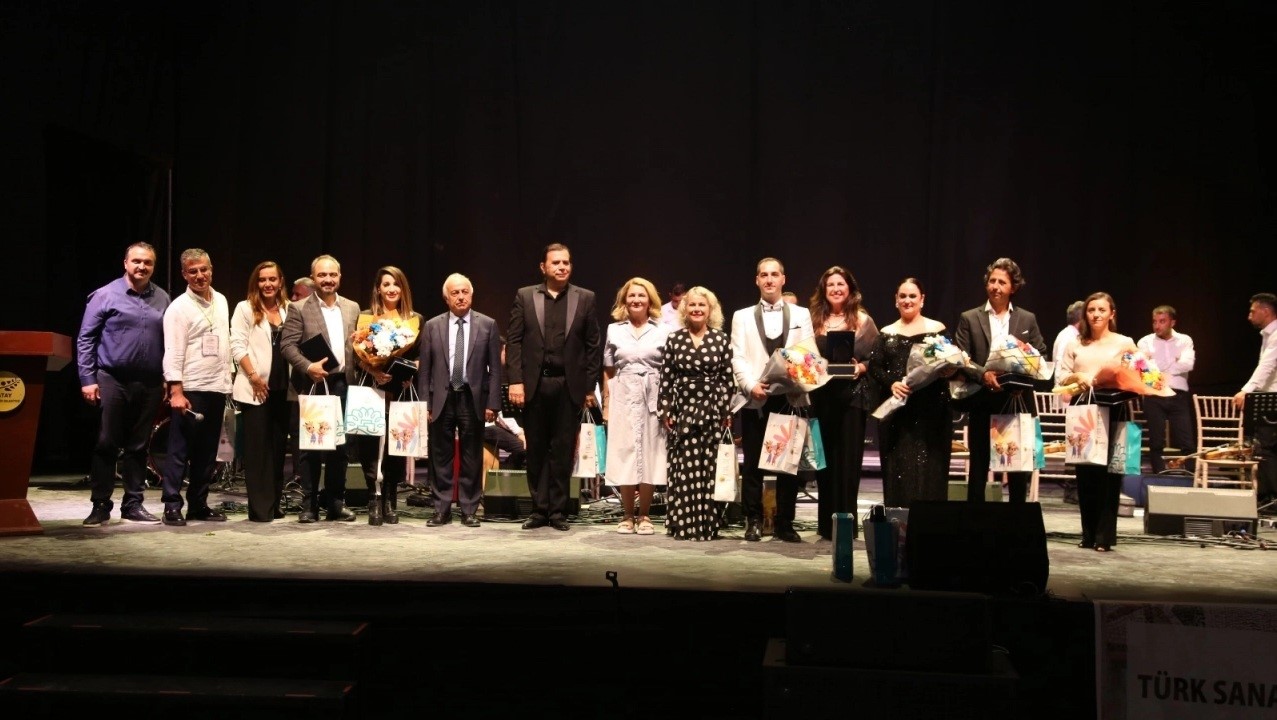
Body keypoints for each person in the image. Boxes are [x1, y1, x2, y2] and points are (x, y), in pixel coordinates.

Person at [506, 243, 602, 531]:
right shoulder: (525, 296)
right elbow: (514, 341)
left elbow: (593, 345)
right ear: (543, 267)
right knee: (535, 448)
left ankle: (558, 511)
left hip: (568, 385)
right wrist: (515, 380)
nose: (562, 267)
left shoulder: (585, 297)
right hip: (535, 384)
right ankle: (539, 510)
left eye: (566, 263)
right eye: (556, 263)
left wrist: (588, 387)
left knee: (562, 450)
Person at [76, 243, 171, 526]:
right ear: (125, 263)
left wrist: (169, 378)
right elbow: (86, 339)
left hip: (150, 381)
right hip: (112, 378)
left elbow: (170, 342)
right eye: (137, 261)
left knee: (139, 445)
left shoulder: (163, 298)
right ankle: (100, 504)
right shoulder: (105, 295)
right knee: (107, 441)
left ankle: (133, 504)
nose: (142, 267)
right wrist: (87, 379)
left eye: (148, 262)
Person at [730, 257, 814, 543]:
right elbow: (738, 356)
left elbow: (807, 353)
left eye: (774, 274)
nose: (769, 279)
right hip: (757, 396)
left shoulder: (801, 314)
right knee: (753, 463)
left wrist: (797, 382)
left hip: (788, 397)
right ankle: (753, 519)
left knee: (787, 465)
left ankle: (784, 522)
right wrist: (750, 385)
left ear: (783, 279)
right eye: (764, 275)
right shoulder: (742, 316)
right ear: (757, 280)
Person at [953, 258, 1047, 503]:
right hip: (982, 399)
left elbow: (1041, 355)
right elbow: (960, 358)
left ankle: (1016, 520)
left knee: (1017, 469)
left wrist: (1020, 379)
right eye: (992, 281)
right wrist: (983, 375)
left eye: (1002, 282)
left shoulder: (1027, 319)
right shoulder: (969, 317)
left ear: (1013, 287)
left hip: (1017, 401)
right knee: (979, 466)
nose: (995, 286)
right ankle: (975, 519)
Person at [280, 254, 361, 523]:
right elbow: (287, 345)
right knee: (310, 446)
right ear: (313, 277)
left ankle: (335, 503)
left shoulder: (352, 307)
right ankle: (309, 505)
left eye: (332, 275)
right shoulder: (299, 308)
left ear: (340, 277)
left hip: (342, 383)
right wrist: (308, 367)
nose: (328, 279)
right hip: (312, 384)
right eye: (322, 275)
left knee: (341, 447)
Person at [1056, 291, 1137, 552]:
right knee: (1085, 473)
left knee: (1110, 474)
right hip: (1084, 407)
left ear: (1112, 314)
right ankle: (1088, 534)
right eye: (1091, 310)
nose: (1096, 314)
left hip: (1115, 408)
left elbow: (1140, 372)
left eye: (1102, 310)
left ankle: (1104, 536)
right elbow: (1061, 375)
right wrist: (1078, 377)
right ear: (1085, 314)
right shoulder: (1076, 343)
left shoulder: (1124, 342)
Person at [158, 249, 233, 526]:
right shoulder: (178, 308)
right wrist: (176, 391)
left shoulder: (221, 300)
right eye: (193, 271)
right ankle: (171, 505)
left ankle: (198, 504)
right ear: (184, 274)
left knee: (207, 451)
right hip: (191, 388)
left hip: (217, 386)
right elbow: (173, 351)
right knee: (180, 450)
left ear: (211, 269)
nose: (200, 275)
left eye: (204, 269)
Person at [422, 273, 501, 528]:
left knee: (471, 456)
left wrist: (493, 403)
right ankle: (441, 509)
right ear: (446, 298)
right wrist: (425, 404)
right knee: (440, 455)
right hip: (441, 397)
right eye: (455, 293)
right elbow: (425, 369)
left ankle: (469, 509)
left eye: (464, 292)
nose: (460, 297)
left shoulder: (487, 324)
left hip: (472, 397)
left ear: (471, 295)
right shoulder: (432, 326)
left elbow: (495, 369)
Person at [866, 278, 952, 508]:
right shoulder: (886, 332)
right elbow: (874, 368)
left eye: (912, 296)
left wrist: (949, 370)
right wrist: (892, 383)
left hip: (932, 411)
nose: (907, 300)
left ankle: (929, 525)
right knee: (899, 470)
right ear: (896, 300)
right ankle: (900, 525)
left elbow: (951, 361)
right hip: (898, 413)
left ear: (922, 300)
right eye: (902, 296)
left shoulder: (937, 329)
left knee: (931, 470)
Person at [807, 266, 878, 539]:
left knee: (849, 463)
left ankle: (847, 526)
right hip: (821, 398)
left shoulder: (863, 321)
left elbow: (876, 359)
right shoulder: (813, 320)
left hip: (852, 399)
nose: (836, 289)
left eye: (841, 284)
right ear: (823, 290)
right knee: (824, 463)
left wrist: (860, 367)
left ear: (850, 289)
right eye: (831, 285)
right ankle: (826, 526)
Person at [659, 286, 735, 541]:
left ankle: (707, 524)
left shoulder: (720, 339)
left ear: (710, 310)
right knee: (683, 467)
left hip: (712, 410)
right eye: (692, 305)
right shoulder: (674, 339)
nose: (697, 309)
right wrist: (666, 409)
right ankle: (683, 524)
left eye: (702, 305)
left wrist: (725, 410)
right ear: (685, 309)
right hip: (683, 411)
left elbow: (727, 378)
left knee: (708, 467)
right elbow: (667, 377)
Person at [352, 266, 424, 526]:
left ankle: (391, 498)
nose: (391, 289)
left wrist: (411, 369)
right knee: (369, 445)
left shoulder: (415, 319)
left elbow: (420, 356)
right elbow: (355, 356)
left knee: (396, 446)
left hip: (400, 391)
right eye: (386, 284)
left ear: (403, 289)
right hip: (372, 389)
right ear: (378, 289)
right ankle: (374, 497)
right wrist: (373, 369)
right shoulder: (365, 318)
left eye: (396, 284)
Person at [601, 277, 670, 535]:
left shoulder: (663, 330)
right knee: (625, 453)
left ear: (650, 300)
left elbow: (669, 369)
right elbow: (608, 369)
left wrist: (668, 404)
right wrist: (606, 404)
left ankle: (645, 515)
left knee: (651, 454)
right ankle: (628, 514)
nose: (636, 300)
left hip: (653, 394)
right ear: (624, 300)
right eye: (632, 295)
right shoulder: (614, 330)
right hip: (623, 394)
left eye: (641, 295)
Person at [230, 261, 291, 522]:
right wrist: (254, 377)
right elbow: (237, 346)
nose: (267, 284)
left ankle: (274, 503)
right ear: (256, 283)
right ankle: (260, 508)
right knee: (258, 450)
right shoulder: (245, 308)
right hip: (256, 388)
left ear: (280, 282)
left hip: (283, 388)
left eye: (272, 279)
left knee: (277, 449)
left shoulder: (289, 308)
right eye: (262, 279)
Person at [1137, 305, 1196, 473]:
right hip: (1155, 394)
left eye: (1162, 321)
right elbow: (1144, 370)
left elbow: (1188, 364)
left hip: (1178, 395)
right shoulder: (1145, 342)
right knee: (1156, 441)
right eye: (1154, 321)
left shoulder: (1184, 340)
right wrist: (1173, 363)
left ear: (1172, 322)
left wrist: (1157, 366)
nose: (1157, 326)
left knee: (1186, 440)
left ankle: (1191, 475)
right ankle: (1158, 474)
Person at [1233, 292, 1277, 506]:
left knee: (1266, 448)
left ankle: (1270, 496)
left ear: (1266, 311)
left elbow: (1267, 366)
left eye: (1253, 311)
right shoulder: (1268, 334)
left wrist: (1246, 390)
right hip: (1269, 396)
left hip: (1273, 398)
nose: (1249, 316)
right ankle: (1268, 495)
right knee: (1265, 447)